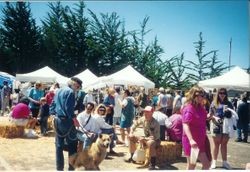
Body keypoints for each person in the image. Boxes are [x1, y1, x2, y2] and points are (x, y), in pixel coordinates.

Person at [50, 77, 81, 171]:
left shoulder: (58, 91)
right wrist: (74, 118)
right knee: (72, 144)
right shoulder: (70, 92)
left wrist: (52, 115)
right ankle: (71, 169)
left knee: (59, 146)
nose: (78, 89)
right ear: (74, 84)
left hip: (58, 120)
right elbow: (68, 108)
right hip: (67, 121)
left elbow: (53, 104)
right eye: (78, 87)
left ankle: (59, 169)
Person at [182, 86, 211, 170]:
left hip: (200, 140)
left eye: (201, 95)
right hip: (192, 142)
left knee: (205, 165)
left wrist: (211, 117)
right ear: (192, 95)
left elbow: (203, 117)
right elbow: (185, 124)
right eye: (197, 95)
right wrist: (191, 140)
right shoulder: (189, 108)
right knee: (192, 165)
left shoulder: (200, 107)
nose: (199, 97)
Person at [125, 106, 160, 170]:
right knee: (131, 137)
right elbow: (134, 125)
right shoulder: (143, 118)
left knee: (151, 143)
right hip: (145, 138)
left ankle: (153, 164)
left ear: (152, 113)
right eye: (145, 112)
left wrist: (144, 139)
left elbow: (155, 137)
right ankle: (132, 157)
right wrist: (131, 132)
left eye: (147, 112)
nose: (145, 113)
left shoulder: (155, 123)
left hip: (154, 140)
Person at [209, 88, 234, 169]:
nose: (222, 94)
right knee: (216, 144)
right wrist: (215, 118)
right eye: (220, 93)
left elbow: (232, 115)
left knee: (224, 144)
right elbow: (210, 115)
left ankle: (224, 162)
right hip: (216, 125)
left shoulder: (229, 103)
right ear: (218, 94)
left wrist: (229, 114)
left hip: (226, 125)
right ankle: (214, 162)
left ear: (226, 94)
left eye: (224, 93)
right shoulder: (214, 103)